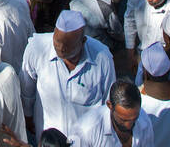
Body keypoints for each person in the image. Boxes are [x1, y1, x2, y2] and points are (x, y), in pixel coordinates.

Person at [20, 9, 116, 138]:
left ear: (83, 41)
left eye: (67, 46)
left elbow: (108, 102)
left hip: (86, 143)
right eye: (57, 42)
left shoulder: (102, 58)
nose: (60, 48)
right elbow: (27, 88)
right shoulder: (36, 48)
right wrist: (28, 115)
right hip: (49, 141)